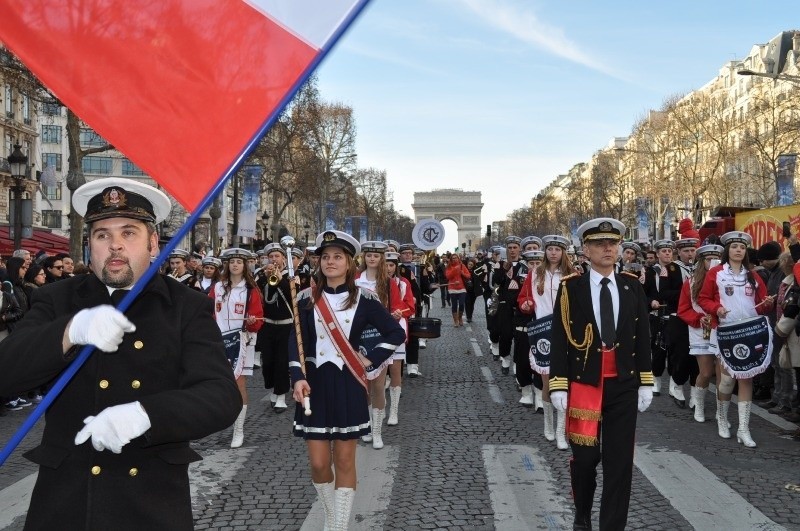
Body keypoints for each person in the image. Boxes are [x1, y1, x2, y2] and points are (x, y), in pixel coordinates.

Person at [0, 177, 241, 530]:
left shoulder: (185, 307)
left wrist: (146, 415)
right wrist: (69, 332)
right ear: (89, 246)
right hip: (66, 503)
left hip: (150, 502)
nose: (115, 246)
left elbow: (221, 396)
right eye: (102, 235)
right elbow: (6, 374)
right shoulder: (57, 299)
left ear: (153, 243)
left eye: (129, 233)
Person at [290, 230, 405, 530]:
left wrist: (370, 359)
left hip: (348, 384)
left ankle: (338, 525)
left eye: (337, 257)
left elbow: (396, 333)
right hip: (314, 385)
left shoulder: (365, 300)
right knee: (317, 463)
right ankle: (331, 512)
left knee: (343, 460)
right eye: (325, 257)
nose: (330, 262)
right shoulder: (305, 298)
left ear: (349, 263)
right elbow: (296, 341)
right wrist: (297, 377)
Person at [549, 218, 653, 531]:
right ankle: (582, 514)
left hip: (623, 383)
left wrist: (646, 381)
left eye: (613, 243)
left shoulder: (632, 285)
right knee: (585, 461)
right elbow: (560, 338)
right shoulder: (570, 287)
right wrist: (558, 384)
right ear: (585, 249)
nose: (607, 248)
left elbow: (642, 335)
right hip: (584, 383)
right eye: (599, 244)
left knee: (619, 464)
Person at [697, 231, 774, 448]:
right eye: (734, 247)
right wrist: (716, 308)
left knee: (746, 377)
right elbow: (703, 298)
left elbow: (762, 303)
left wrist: (767, 302)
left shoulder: (753, 275)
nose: (738, 250)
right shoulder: (716, 273)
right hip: (725, 332)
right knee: (728, 380)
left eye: (742, 247)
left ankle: (743, 429)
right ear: (727, 251)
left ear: (746, 251)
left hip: (749, 331)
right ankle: (722, 418)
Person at [518, 235, 574, 449]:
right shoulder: (533, 274)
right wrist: (526, 304)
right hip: (542, 330)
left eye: (557, 249)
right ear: (545, 251)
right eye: (550, 249)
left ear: (563, 252)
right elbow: (524, 298)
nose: (553, 253)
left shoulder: (572, 275)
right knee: (547, 381)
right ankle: (548, 425)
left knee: (564, 382)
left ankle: (561, 431)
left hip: (566, 331)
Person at [210, 247, 264, 448]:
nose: (235, 265)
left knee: (239, 383)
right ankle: (222, 418)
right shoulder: (218, 287)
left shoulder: (251, 290)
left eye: (239, 262)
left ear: (245, 265)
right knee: (220, 382)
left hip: (241, 341)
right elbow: (208, 310)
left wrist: (251, 321)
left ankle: (238, 429)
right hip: (219, 340)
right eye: (232, 261)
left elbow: (258, 319)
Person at [354, 240, 402, 449]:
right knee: (362, 385)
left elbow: (398, 306)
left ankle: (377, 431)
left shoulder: (388, 282)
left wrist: (396, 314)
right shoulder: (354, 280)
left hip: (381, 336)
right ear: (364, 257)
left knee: (379, 385)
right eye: (369, 255)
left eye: (376, 255)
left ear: (382, 258)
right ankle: (365, 424)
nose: (372, 258)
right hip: (359, 337)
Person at [677, 244, 724, 423]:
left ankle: (721, 413)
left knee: (722, 376)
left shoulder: (725, 279)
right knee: (705, 372)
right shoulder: (691, 283)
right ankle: (699, 404)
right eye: (708, 259)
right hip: (701, 330)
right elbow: (683, 310)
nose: (712, 262)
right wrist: (698, 318)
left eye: (716, 259)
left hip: (721, 329)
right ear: (701, 261)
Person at [256, 242, 295, 412]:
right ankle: (273, 388)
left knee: (281, 362)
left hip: (286, 326)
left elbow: (294, 296)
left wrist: (280, 280)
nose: (273, 259)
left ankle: (280, 395)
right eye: (270, 257)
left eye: (277, 256)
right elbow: (257, 295)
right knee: (268, 362)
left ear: (283, 258)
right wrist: (265, 278)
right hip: (268, 325)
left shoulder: (291, 275)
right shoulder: (262, 275)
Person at [385, 251, 415, 426]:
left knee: (396, 370)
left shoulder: (403, 283)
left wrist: (398, 312)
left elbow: (410, 307)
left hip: (397, 327)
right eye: (386, 265)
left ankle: (394, 411)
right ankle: (380, 407)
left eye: (391, 265)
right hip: (376, 330)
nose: (388, 268)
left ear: (396, 266)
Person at [444, 253, 471, 328]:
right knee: (454, 305)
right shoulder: (449, 267)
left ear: (458, 259)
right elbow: (448, 276)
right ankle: (455, 320)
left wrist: (462, 273)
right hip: (452, 288)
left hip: (462, 288)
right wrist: (455, 269)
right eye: (453, 258)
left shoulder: (462, 266)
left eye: (456, 258)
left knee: (462, 304)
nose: (455, 259)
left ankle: (460, 317)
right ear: (451, 259)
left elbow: (468, 275)